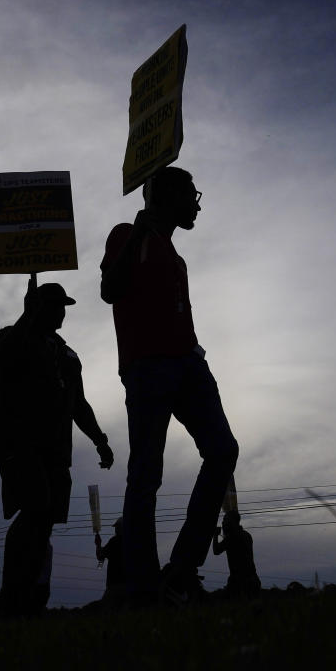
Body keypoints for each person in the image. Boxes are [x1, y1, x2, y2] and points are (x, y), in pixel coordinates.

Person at [100, 166, 239, 606]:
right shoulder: (127, 233)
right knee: (146, 474)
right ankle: (144, 586)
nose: (196, 202)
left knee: (222, 450)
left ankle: (180, 570)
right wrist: (139, 232)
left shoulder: (176, 257)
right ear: (164, 197)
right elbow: (109, 290)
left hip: (188, 364)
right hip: (148, 367)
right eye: (189, 193)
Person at [0, 281, 114, 617]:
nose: (62, 313)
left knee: (44, 521)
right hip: (18, 442)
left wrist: (100, 439)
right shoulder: (14, 336)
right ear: (39, 306)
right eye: (56, 306)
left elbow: (79, 404)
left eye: (64, 307)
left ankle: (27, 597)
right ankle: (11, 597)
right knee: (35, 509)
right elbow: (0, 357)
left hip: (55, 450)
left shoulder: (67, 354)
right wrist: (25, 316)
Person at [212, 510, 260, 598]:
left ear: (232, 521)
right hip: (253, 580)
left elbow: (216, 551)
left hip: (239, 583)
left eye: (225, 520)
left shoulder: (232, 537)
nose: (223, 523)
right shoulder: (247, 535)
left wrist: (215, 535)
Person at [94, 517, 125, 606]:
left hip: (114, 585)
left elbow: (101, 558)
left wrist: (98, 544)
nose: (115, 530)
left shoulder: (114, 541)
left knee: (106, 610)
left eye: (117, 527)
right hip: (129, 584)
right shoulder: (132, 542)